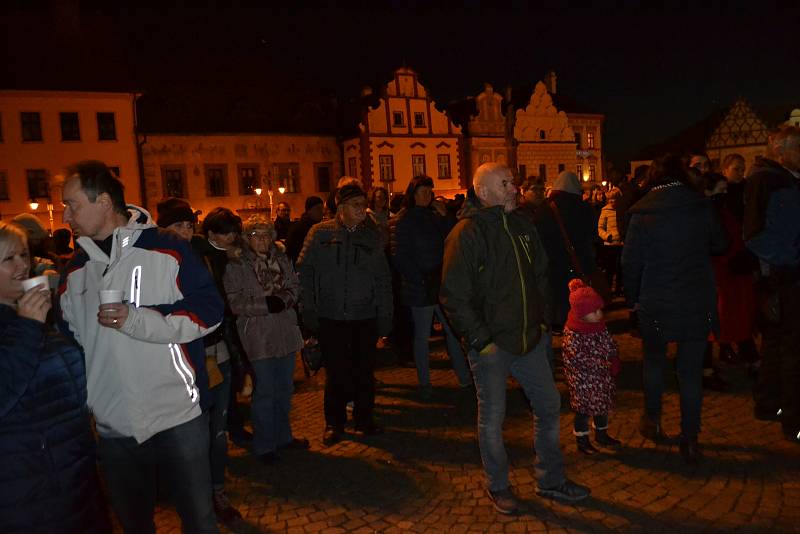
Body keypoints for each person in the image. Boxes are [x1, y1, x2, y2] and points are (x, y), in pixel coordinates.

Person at [55, 160, 224, 533]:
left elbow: (210, 312)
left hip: (178, 415)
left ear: (103, 201)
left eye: (72, 203)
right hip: (115, 427)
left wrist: (135, 319)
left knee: (199, 521)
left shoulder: (168, 250)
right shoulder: (74, 274)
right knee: (134, 525)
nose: (64, 213)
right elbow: (73, 349)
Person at [441, 162, 590, 515]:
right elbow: (453, 295)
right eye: (506, 183)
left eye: (513, 182)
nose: (515, 188)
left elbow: (540, 274)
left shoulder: (523, 224)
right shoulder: (467, 233)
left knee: (549, 405)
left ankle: (550, 480)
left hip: (529, 339)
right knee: (493, 418)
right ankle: (499, 486)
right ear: (485, 192)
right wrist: (482, 340)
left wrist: (540, 323)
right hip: (492, 346)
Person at [0, 221, 109, 533]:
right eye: (9, 259)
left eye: (24, 254)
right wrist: (28, 327)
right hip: (27, 492)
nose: (24, 265)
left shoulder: (31, 315)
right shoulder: (26, 323)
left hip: (74, 481)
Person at [622, 154, 728, 464]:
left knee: (654, 362)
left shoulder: (643, 213)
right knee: (690, 371)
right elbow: (721, 244)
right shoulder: (700, 205)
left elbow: (630, 263)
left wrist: (633, 300)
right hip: (695, 298)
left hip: (656, 299)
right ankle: (690, 437)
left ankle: (652, 420)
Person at [157, 200, 243, 524]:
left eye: (188, 226)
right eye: (177, 226)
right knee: (187, 436)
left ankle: (216, 491)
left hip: (214, 354)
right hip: (179, 362)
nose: (185, 231)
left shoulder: (203, 260)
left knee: (217, 432)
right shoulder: (156, 266)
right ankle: (192, 498)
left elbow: (219, 307)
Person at [297, 183, 393, 446]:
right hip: (331, 316)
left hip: (364, 317)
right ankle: (334, 422)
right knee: (336, 373)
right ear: (340, 209)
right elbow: (303, 272)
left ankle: (365, 418)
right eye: (356, 205)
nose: (362, 210)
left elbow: (383, 279)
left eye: (364, 204)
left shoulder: (371, 236)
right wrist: (309, 308)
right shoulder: (319, 234)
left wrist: (385, 315)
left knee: (364, 371)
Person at [224, 215, 308, 465]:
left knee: (284, 390)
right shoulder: (237, 265)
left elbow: (294, 286)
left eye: (265, 234)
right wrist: (265, 304)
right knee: (265, 393)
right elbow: (235, 301)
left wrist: (285, 299)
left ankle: (284, 437)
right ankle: (264, 445)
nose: (261, 240)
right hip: (258, 336)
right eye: (255, 235)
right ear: (247, 239)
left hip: (285, 332)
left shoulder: (282, 258)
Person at [743, 126, 800, 445]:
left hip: (783, 274)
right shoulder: (766, 180)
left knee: (779, 343)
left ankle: (769, 404)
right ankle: (795, 421)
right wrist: (789, 256)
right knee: (793, 348)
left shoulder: (782, 178)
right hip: (784, 276)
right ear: (781, 149)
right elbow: (753, 235)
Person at [392, 175, 471, 399]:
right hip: (420, 286)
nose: (428, 196)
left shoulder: (434, 216)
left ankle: (464, 378)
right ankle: (425, 382)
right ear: (413, 194)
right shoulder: (405, 220)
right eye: (424, 192)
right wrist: (419, 279)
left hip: (439, 283)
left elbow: (451, 237)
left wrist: (445, 215)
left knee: (452, 333)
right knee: (422, 337)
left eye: (430, 192)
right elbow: (400, 255)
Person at [199, 208, 254, 448]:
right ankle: (226, 429)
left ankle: (235, 426)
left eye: (234, 232)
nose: (231, 236)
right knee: (222, 381)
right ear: (211, 233)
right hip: (219, 327)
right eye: (226, 233)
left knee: (235, 376)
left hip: (235, 322)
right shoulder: (203, 256)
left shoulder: (234, 253)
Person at [703, 173, 760, 374]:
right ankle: (707, 366)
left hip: (733, 273)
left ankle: (747, 355)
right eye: (721, 190)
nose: (725, 194)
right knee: (717, 319)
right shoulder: (706, 212)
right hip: (719, 274)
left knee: (736, 317)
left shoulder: (723, 211)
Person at [562, 279, 621, 455]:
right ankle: (582, 440)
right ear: (581, 314)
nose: (599, 314)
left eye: (599, 309)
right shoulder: (574, 334)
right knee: (583, 411)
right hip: (583, 382)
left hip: (601, 379)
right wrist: (602, 364)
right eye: (594, 311)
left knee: (601, 407)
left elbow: (608, 342)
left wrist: (614, 356)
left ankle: (601, 434)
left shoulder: (598, 326)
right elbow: (578, 359)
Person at [533, 171, 598, 331]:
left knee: (558, 294)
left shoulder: (544, 209)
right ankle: (580, 320)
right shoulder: (584, 208)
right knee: (579, 294)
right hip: (579, 261)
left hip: (553, 262)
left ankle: (559, 322)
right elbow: (591, 236)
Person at [597, 187, 624, 294]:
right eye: (610, 199)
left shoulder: (621, 210)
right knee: (609, 269)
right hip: (609, 244)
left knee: (620, 269)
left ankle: (618, 289)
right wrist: (607, 236)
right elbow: (600, 227)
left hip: (620, 243)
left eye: (614, 199)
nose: (612, 201)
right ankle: (608, 291)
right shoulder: (605, 211)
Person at [286, 196, 324, 264]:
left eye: (322, 208)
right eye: (318, 208)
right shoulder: (301, 228)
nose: (322, 212)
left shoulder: (317, 226)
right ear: (309, 210)